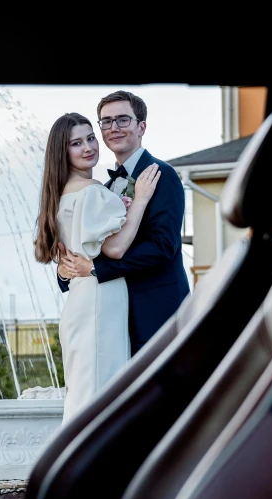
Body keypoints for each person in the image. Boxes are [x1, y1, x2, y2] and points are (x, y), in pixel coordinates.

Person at [34, 112, 160, 424]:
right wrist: (140, 200)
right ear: (62, 152)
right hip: (99, 302)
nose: (89, 147)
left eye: (91, 138)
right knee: (99, 393)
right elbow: (115, 249)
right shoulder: (91, 192)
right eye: (76, 143)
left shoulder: (63, 194)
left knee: (83, 393)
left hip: (81, 300)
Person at [58, 91, 190, 356]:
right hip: (113, 318)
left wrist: (97, 268)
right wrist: (65, 271)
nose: (113, 128)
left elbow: (163, 247)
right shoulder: (103, 189)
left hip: (158, 314)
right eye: (106, 122)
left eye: (122, 120)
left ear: (141, 126)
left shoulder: (161, 175)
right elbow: (83, 254)